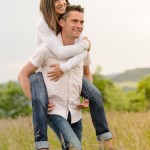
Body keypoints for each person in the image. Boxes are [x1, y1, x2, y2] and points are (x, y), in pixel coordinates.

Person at [21, 0, 114, 149]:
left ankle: (106, 140)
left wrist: (84, 48)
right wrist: (83, 48)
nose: (62, 2)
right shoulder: (43, 26)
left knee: (95, 94)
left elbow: (86, 69)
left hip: (73, 110)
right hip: (40, 71)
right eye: (57, 0)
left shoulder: (76, 33)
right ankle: (42, 144)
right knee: (39, 101)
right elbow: (59, 52)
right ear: (62, 22)